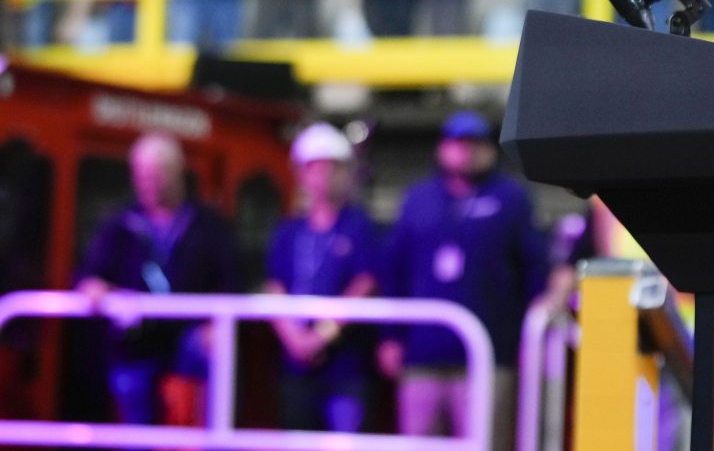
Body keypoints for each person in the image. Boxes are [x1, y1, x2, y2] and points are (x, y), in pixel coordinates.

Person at [378, 111, 551, 449]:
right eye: (458, 143)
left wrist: (530, 341)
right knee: (419, 442)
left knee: (487, 441)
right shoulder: (418, 199)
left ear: (489, 149)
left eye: (476, 143)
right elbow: (394, 269)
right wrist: (390, 337)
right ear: (442, 148)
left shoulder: (510, 199)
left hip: (488, 354)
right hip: (423, 354)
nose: (467, 151)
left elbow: (535, 270)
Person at [76, 134, 239, 426]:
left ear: (178, 170)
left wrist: (215, 326)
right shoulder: (120, 224)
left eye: (157, 174)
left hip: (189, 340)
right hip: (135, 342)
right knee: (130, 390)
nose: (148, 183)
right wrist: (103, 293)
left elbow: (231, 280)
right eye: (142, 175)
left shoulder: (207, 225)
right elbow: (88, 276)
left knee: (209, 364)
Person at [264, 123, 380, 433]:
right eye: (314, 168)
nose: (323, 176)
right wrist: (294, 338)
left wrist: (320, 336)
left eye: (333, 168)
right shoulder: (289, 231)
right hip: (295, 365)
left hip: (346, 366)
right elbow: (274, 286)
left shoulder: (360, 227)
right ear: (301, 174)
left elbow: (365, 284)